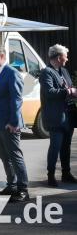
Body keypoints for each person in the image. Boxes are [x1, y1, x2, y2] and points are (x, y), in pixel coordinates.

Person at [0, 43, 29, 203]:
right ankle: (11, 186)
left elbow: (16, 99)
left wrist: (14, 121)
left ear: (2, 56)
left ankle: (23, 189)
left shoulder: (12, 73)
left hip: (9, 123)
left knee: (15, 155)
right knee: (5, 156)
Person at [39, 44, 77, 187]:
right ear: (59, 57)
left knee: (66, 146)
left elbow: (69, 86)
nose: (67, 59)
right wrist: (69, 92)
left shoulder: (64, 71)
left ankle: (66, 173)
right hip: (55, 117)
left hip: (68, 115)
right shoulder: (46, 72)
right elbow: (50, 93)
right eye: (65, 56)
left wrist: (72, 91)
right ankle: (51, 175)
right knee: (55, 146)